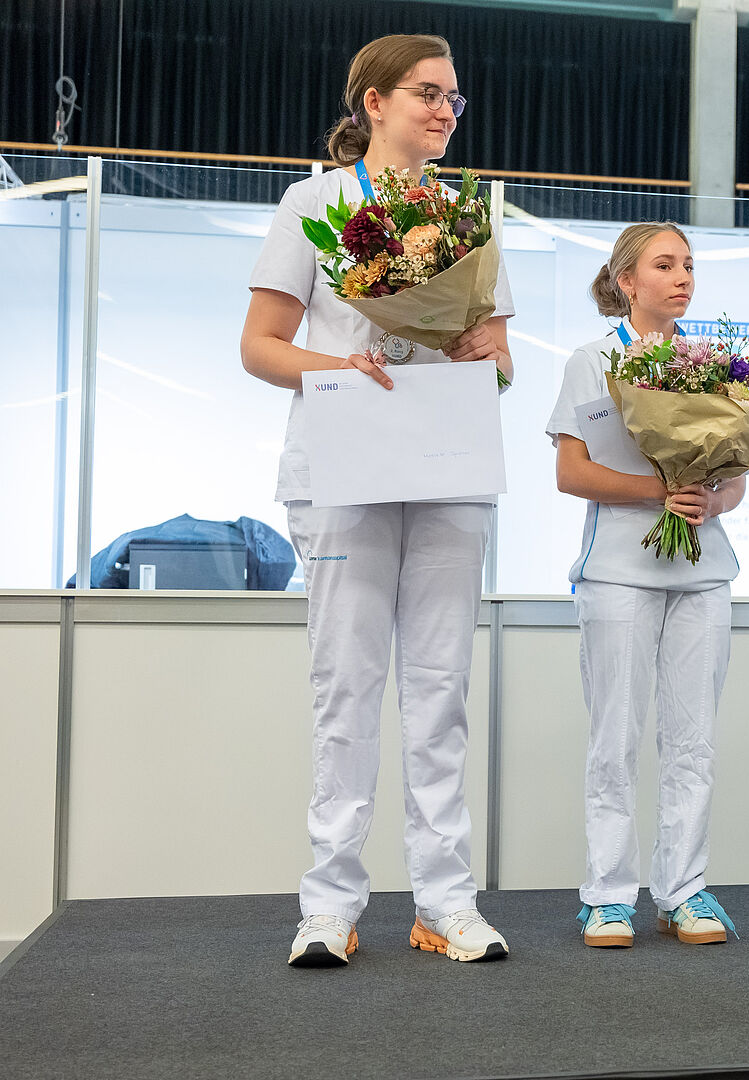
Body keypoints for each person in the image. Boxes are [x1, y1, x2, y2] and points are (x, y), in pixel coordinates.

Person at [241, 33, 515, 966]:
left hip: (446, 468)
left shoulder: (467, 216)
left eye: (453, 98)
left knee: (440, 692)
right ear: (373, 103)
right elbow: (261, 346)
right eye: (427, 93)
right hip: (343, 470)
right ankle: (329, 905)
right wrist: (341, 369)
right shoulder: (313, 203)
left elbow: (500, 361)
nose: (444, 111)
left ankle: (446, 903)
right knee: (345, 689)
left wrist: (483, 354)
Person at [547, 222, 744, 949]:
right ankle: (607, 897)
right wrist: (659, 490)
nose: (682, 276)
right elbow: (571, 473)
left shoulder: (717, 365)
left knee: (693, 742)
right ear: (626, 281)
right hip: (617, 574)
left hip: (703, 573)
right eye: (664, 265)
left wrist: (709, 500)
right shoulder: (591, 361)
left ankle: (683, 891)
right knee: (615, 739)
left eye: (688, 264)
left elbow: (736, 480)